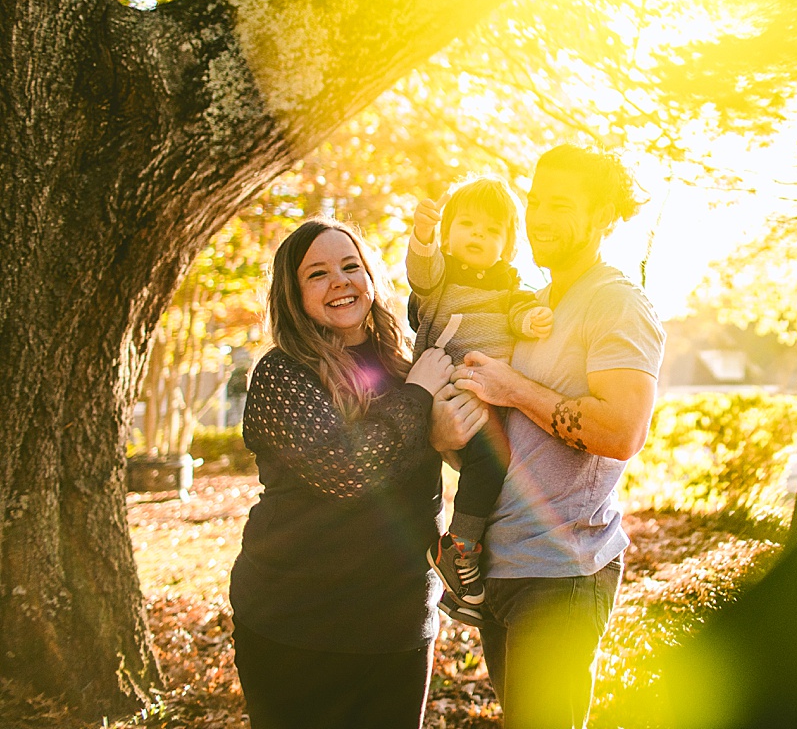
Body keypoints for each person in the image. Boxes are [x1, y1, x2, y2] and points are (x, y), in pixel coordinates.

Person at [439, 145, 665, 729]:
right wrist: (447, 436)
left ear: (603, 216)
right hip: (504, 563)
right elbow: (513, 448)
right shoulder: (529, 309)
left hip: (562, 570)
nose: (538, 216)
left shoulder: (618, 305)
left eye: (559, 205)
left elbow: (621, 431)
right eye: (535, 201)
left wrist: (512, 387)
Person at [228, 219, 465, 729]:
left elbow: (459, 455)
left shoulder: (405, 364)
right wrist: (420, 399)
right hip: (295, 623)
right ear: (293, 295)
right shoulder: (283, 372)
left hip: (397, 621)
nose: (339, 280)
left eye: (350, 265)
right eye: (317, 273)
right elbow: (345, 470)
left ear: (371, 278)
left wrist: (447, 432)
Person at [406, 177, 553, 607]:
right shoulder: (441, 277)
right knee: (482, 462)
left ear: (507, 246)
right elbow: (420, 270)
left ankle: (461, 560)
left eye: (491, 232)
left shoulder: (510, 284)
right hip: (446, 381)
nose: (478, 236)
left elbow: (521, 310)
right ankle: (458, 546)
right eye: (468, 225)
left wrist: (529, 322)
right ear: (448, 233)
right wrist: (422, 236)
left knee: (494, 464)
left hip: (485, 390)